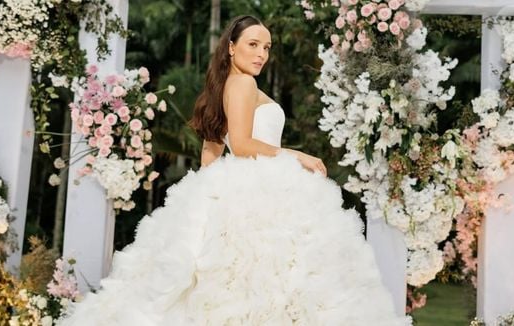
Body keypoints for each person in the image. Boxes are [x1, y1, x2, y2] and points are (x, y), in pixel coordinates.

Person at [60, 15, 411, 325]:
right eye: (253, 44)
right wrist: (295, 155)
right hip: (262, 181)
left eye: (267, 47)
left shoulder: (222, 87)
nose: (261, 54)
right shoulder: (243, 83)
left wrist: (211, 201)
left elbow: (210, 155)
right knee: (275, 279)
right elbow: (241, 144)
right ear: (231, 47)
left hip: (246, 185)